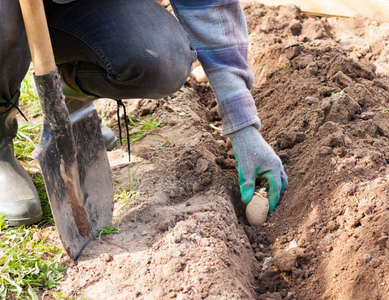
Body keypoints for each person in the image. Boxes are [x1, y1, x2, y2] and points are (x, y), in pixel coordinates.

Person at [0, 0, 287, 225]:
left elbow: (206, 4)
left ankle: (72, 88)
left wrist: (243, 125)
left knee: (162, 58)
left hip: (71, 10)